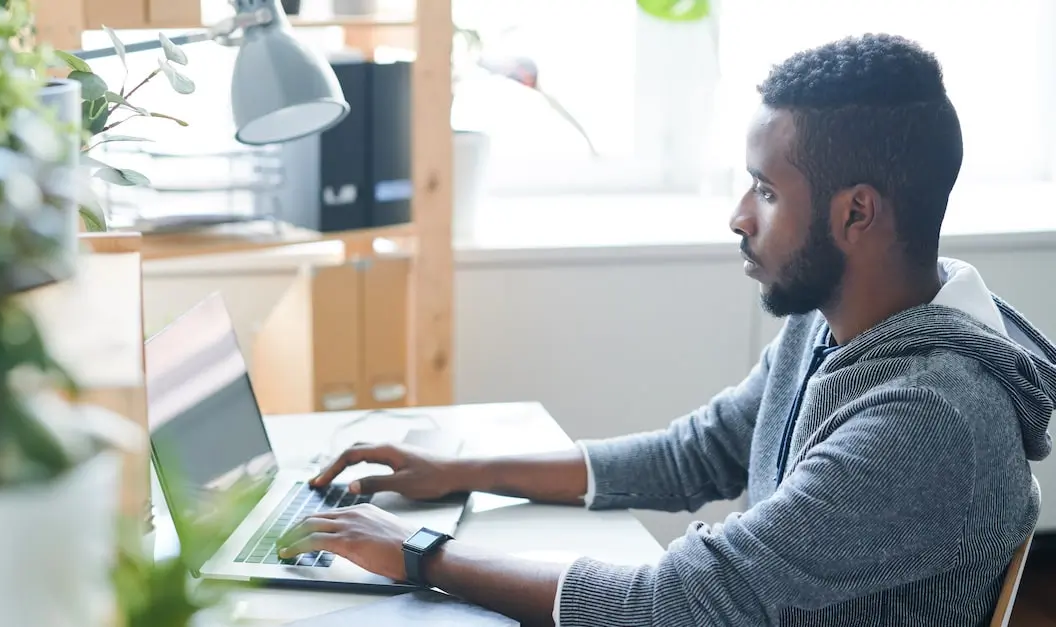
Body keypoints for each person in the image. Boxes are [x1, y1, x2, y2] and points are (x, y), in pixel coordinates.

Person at [276, 33, 1056, 626]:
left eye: (766, 191)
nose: (739, 216)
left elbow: (678, 601)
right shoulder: (837, 320)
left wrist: (419, 553)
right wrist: (460, 469)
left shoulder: (928, 418)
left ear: (856, 212)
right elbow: (698, 452)